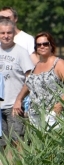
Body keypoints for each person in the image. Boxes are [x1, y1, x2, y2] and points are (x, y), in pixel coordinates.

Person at [15, 32, 64, 131]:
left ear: (51, 45)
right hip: (35, 114)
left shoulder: (58, 63)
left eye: (45, 44)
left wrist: (61, 104)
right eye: (39, 45)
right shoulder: (37, 65)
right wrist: (18, 99)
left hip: (53, 113)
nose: (42, 46)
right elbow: (29, 84)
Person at [0, 18, 34, 148]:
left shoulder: (21, 52)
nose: (6, 36)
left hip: (14, 106)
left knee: (17, 142)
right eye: (2, 33)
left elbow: (30, 79)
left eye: (9, 32)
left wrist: (19, 100)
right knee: (2, 144)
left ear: (14, 33)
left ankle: (19, 162)